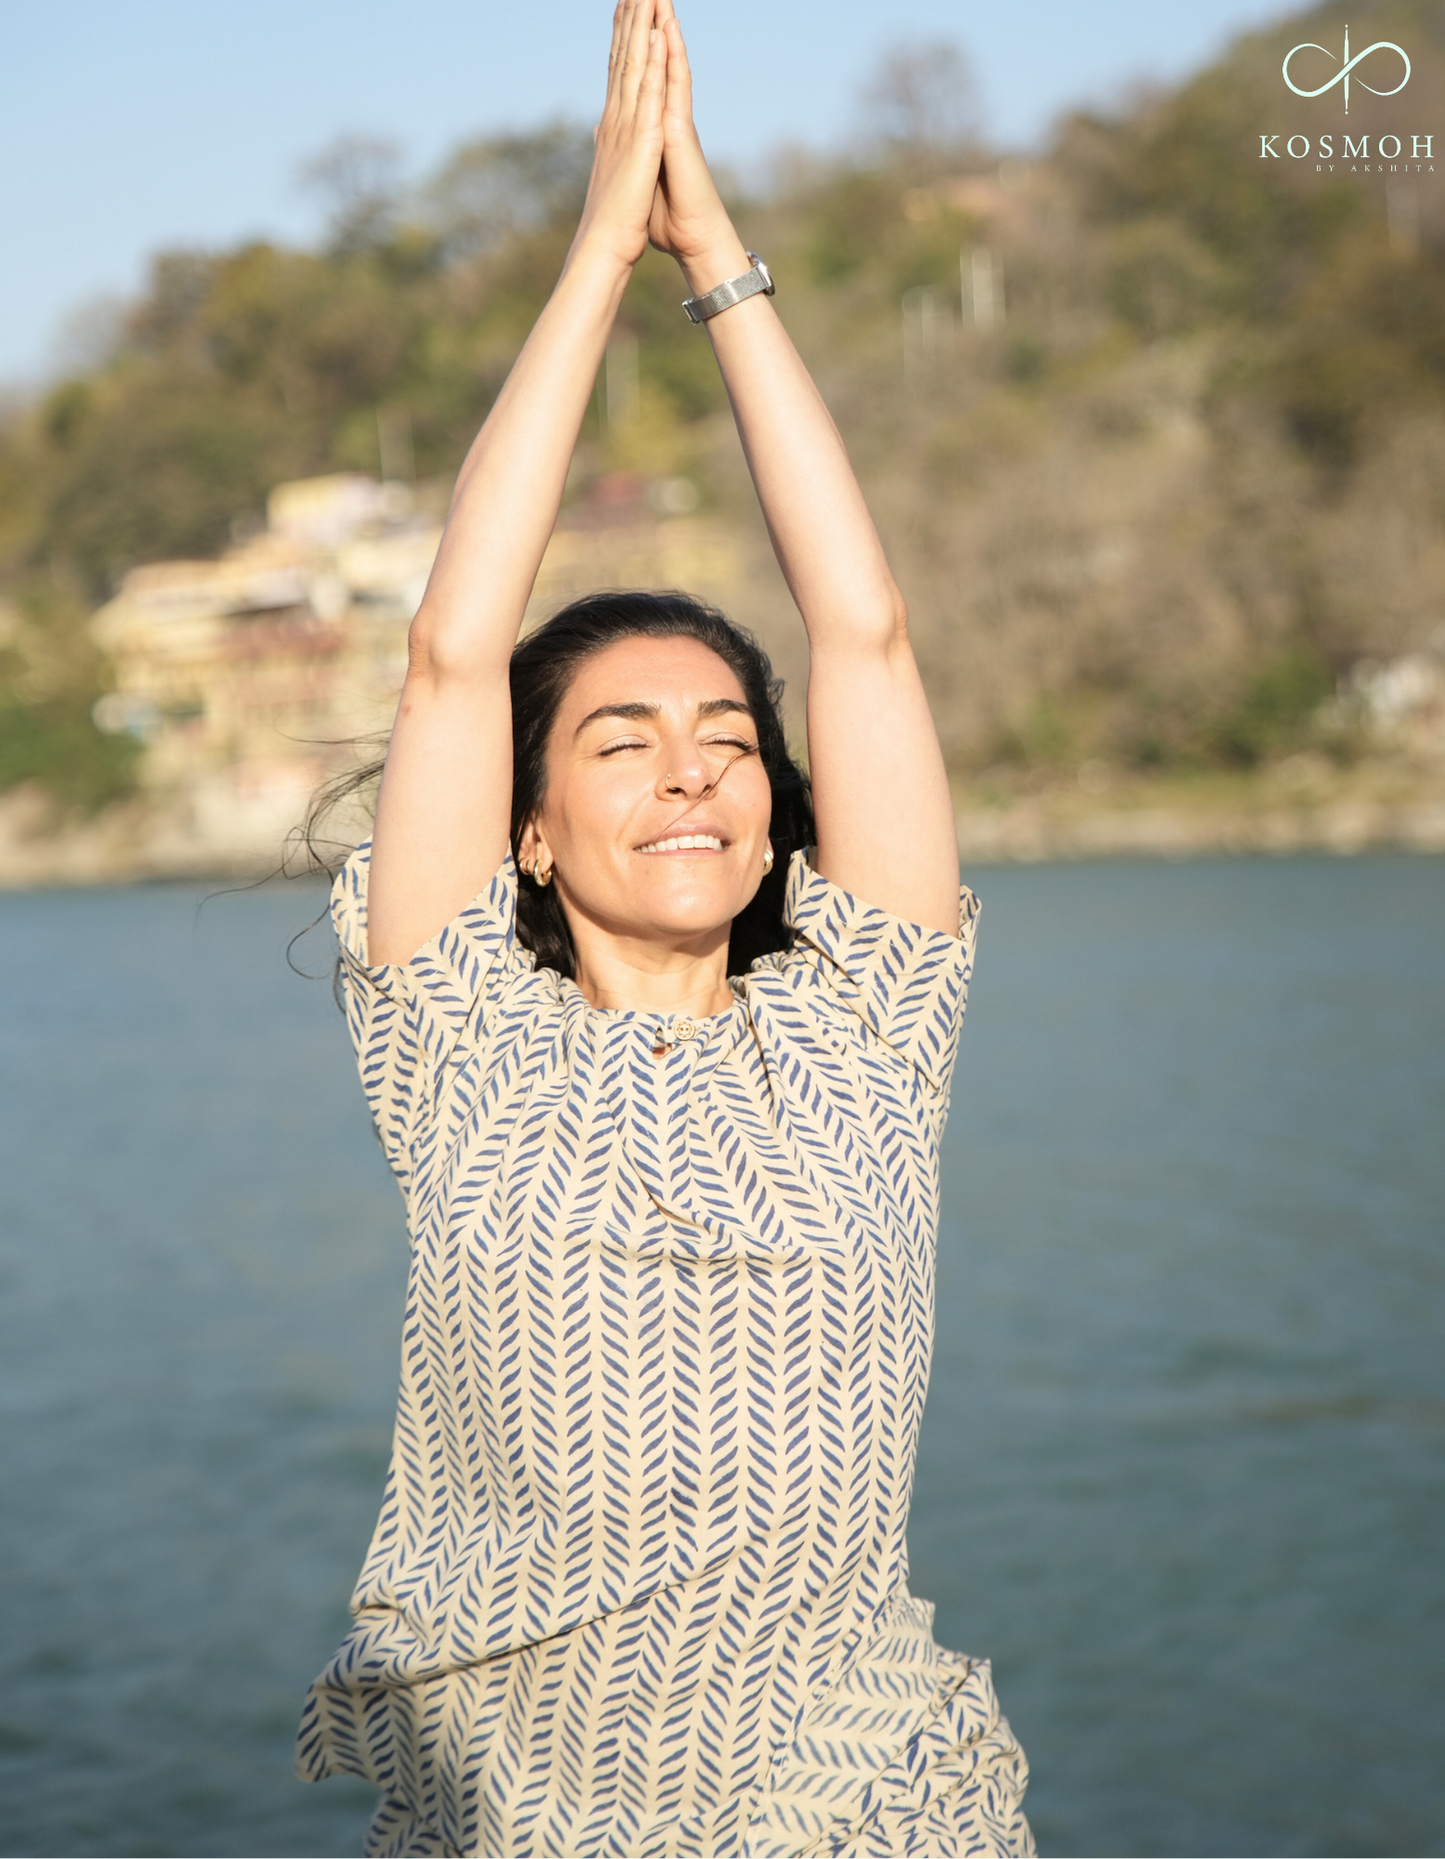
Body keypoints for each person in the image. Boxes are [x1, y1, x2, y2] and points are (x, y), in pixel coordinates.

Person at [296, 1, 1034, 1852]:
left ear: (781, 806)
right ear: (528, 832)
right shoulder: (463, 1041)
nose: (693, 773)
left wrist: (724, 267)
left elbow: (863, 633)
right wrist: (595, 257)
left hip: (869, 1808)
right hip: (524, 1820)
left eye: (727, 741)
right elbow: (455, 651)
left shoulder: (869, 1026)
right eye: (622, 743)